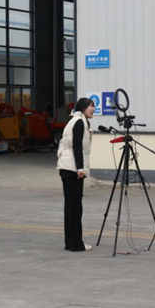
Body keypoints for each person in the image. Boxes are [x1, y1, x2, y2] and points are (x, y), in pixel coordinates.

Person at [56, 97, 95, 252]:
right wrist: (80, 168)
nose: (93, 109)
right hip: (73, 169)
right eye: (91, 106)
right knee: (75, 208)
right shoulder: (79, 122)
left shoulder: (72, 120)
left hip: (66, 167)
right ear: (83, 107)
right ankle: (76, 244)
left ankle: (70, 242)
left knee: (70, 207)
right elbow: (77, 146)